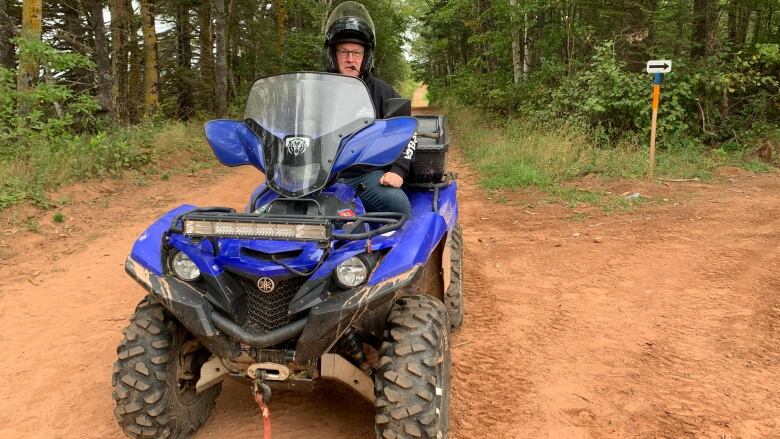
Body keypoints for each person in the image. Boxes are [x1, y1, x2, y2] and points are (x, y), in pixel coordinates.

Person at [324, 1, 415, 218]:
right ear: (332, 54)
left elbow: (408, 134)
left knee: (399, 207)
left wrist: (397, 171)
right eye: (343, 51)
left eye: (356, 52)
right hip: (321, 175)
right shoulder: (317, 90)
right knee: (268, 202)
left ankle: (383, 251)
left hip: (365, 175)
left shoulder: (382, 91)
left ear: (366, 57)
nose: (350, 59)